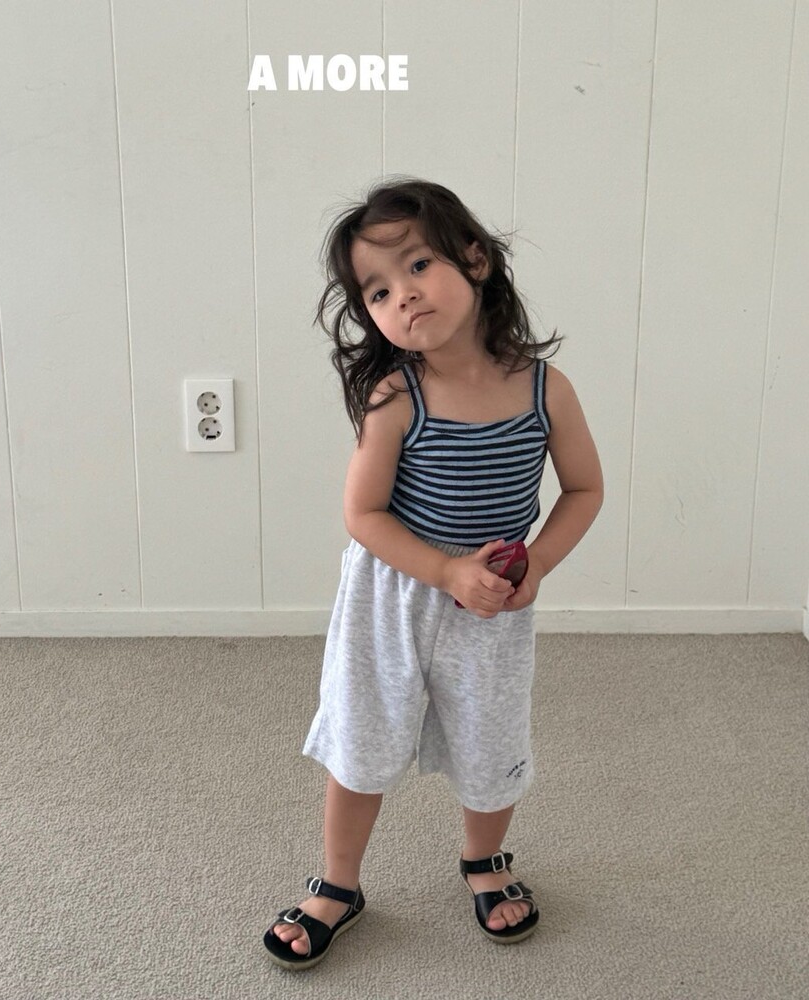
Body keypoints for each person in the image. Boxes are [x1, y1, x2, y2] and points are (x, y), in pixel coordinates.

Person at [263, 179, 603, 970]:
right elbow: (363, 514)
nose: (403, 295)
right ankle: (339, 883)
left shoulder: (545, 389)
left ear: (475, 260)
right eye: (378, 290)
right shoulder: (395, 396)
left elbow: (584, 490)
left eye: (418, 265)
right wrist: (443, 569)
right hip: (393, 594)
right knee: (364, 735)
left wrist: (538, 564)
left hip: (491, 602)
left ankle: (484, 861)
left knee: (491, 740)